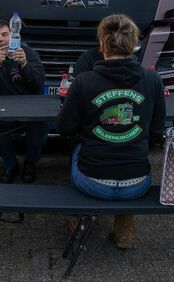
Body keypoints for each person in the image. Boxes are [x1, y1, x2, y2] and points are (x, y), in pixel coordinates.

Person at [56, 14, 165, 249]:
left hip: (92, 182)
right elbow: (157, 132)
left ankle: (79, 221)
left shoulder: (83, 81)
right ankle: (123, 232)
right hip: (137, 183)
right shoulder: (152, 80)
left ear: (102, 44)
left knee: (77, 151)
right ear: (133, 43)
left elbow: (64, 128)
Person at [0, 19, 47, 183]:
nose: (0, 39)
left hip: (29, 107)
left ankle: (30, 162)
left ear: (13, 36)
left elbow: (38, 84)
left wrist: (24, 64)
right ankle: (11, 164)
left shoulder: (28, 53)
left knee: (41, 125)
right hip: (3, 110)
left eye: (4, 34)